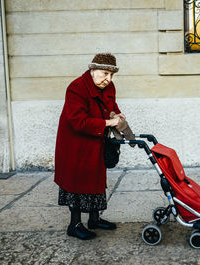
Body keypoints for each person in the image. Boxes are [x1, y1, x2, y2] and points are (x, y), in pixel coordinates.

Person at [54, 53, 125, 240]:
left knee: (96, 178)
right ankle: (74, 224)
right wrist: (109, 123)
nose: (108, 79)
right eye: (104, 74)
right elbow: (78, 121)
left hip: (95, 141)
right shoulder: (76, 88)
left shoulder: (108, 86)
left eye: (111, 75)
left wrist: (117, 114)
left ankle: (94, 219)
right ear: (92, 70)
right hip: (75, 144)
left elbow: (112, 105)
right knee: (77, 182)